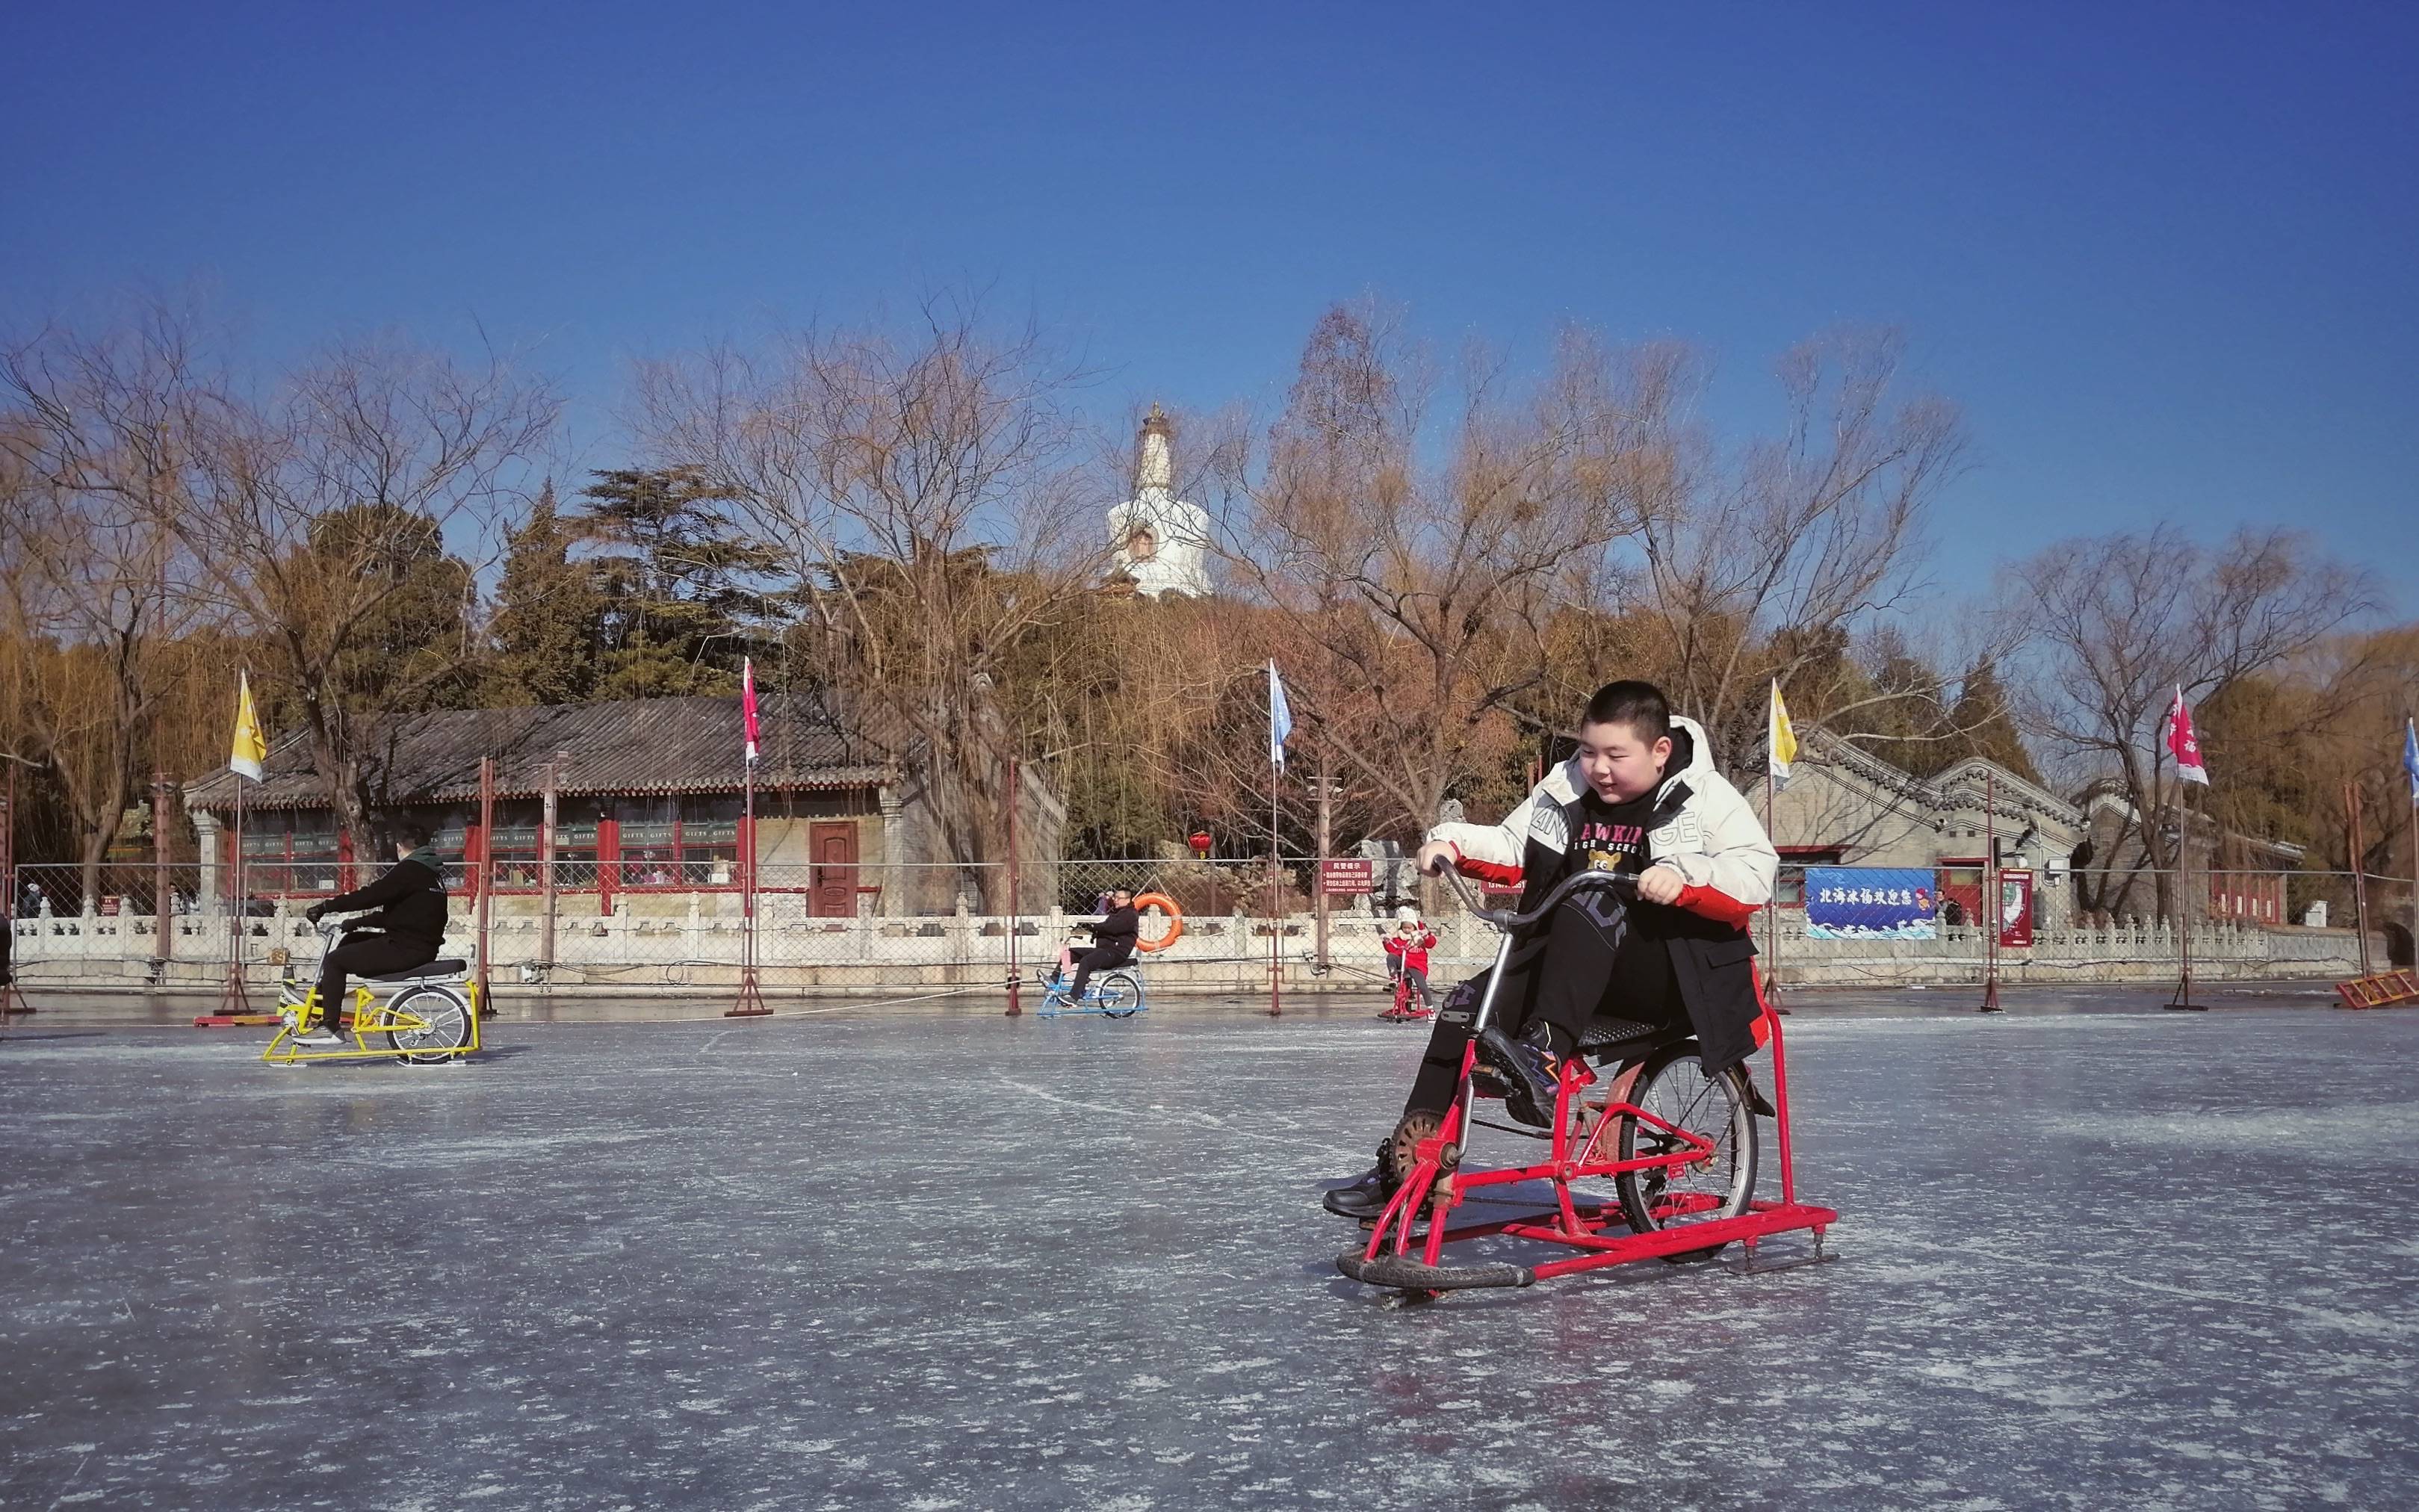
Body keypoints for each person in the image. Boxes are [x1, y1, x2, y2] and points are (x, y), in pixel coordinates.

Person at [1325, 680, 1778, 1218]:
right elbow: (1516, 846)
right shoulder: (1565, 787)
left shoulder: (1701, 795)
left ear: (1659, 751)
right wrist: (1454, 844)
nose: (1599, 768)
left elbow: (1756, 872)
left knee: (1590, 898)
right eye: (1589, 752)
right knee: (1465, 1008)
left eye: (1616, 755)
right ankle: (1409, 1168)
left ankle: (1542, 1058)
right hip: (1571, 965)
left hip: (1670, 974)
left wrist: (1685, 875)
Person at [297, 822, 448, 1045]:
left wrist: (327, 906)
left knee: (335, 961)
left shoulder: (409, 870)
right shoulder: (431, 874)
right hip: (417, 945)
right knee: (351, 941)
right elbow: (401, 916)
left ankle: (329, 1025)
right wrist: (357, 923)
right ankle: (323, 1005)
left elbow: (371, 896)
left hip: (406, 949)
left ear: (399, 847)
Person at [1049, 887, 1139, 1000]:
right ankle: (1055, 978)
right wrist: (1094, 928)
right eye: (1115, 898)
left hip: (1116, 953)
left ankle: (1074, 997)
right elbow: (1107, 926)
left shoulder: (1130, 915)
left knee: (1086, 962)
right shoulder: (1118, 913)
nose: (1115, 900)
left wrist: (1095, 927)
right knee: (1071, 953)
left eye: (1118, 898)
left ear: (1128, 900)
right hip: (1105, 950)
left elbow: (1113, 927)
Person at [1381, 907, 1437, 1012]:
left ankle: (1430, 1008)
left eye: (1409, 928)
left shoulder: (1419, 938)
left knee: (1422, 986)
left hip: (1416, 965)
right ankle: (1393, 976)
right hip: (1402, 964)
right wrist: (1387, 942)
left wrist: (1427, 936)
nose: (1406, 930)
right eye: (1404, 928)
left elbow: (1431, 944)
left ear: (1414, 927)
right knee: (1391, 957)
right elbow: (1392, 949)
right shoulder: (1399, 937)